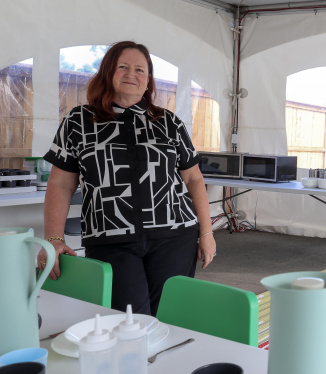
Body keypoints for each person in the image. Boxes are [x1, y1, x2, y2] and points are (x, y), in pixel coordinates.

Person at [38, 40, 216, 315]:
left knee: (168, 319)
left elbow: (193, 178)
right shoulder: (78, 121)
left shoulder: (169, 123)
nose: (131, 74)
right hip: (110, 242)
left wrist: (206, 232)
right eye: (123, 67)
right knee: (127, 322)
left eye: (140, 70)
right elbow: (61, 183)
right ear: (108, 72)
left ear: (148, 81)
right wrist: (52, 239)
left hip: (174, 238)